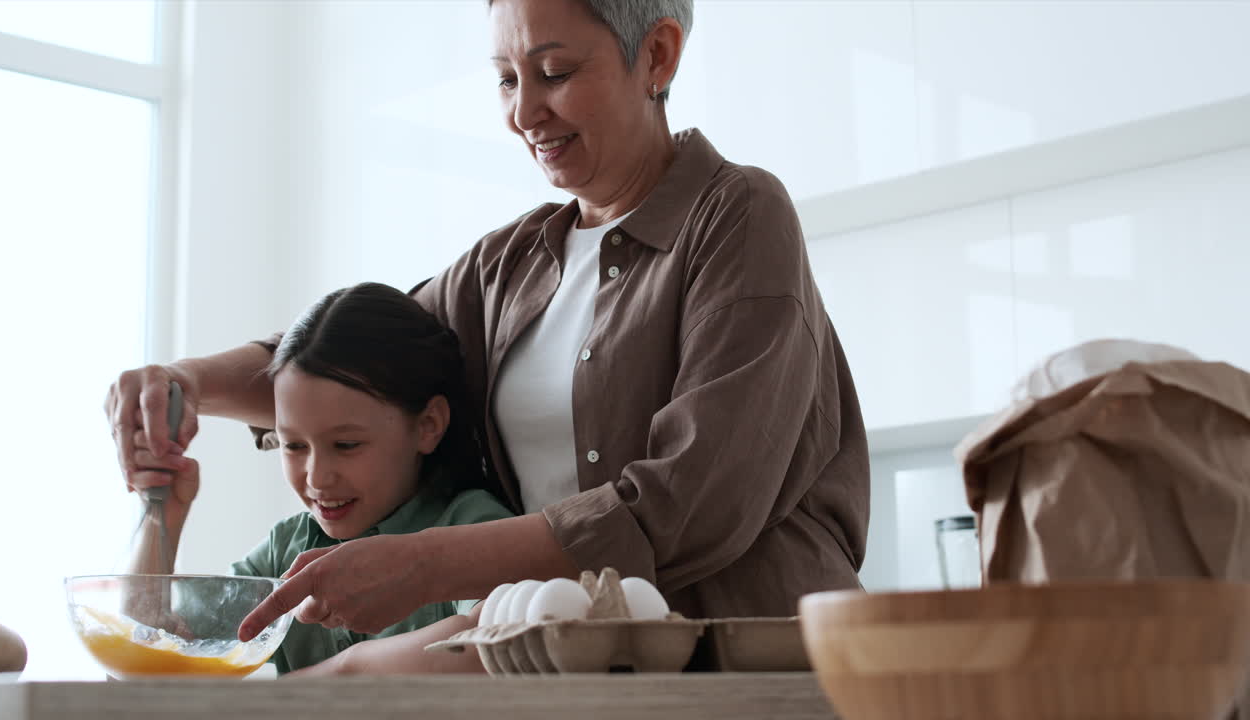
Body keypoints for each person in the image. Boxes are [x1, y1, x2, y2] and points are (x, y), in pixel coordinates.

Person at [106, 0, 870, 674]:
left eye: (555, 71)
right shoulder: (508, 266)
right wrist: (185, 384)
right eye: (507, 80)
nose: (524, 112)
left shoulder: (738, 216)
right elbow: (345, 364)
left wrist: (423, 565)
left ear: (658, 55)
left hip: (749, 673)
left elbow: (690, 504)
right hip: (585, 680)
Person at [121, 282, 514, 675]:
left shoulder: (470, 525)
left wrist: (312, 689)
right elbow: (145, 665)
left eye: (346, 444)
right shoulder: (285, 551)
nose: (317, 477)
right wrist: (161, 517)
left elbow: (485, 644)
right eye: (293, 446)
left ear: (428, 425)